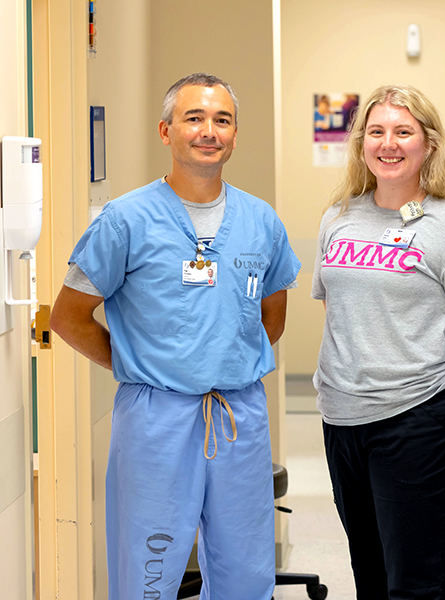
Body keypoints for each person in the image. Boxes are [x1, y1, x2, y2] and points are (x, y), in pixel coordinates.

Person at [50, 73, 300, 600]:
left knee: (246, 572)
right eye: (194, 118)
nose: (209, 131)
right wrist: (138, 364)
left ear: (234, 135)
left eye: (222, 120)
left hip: (239, 416)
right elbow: (68, 318)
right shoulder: (125, 220)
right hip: (155, 418)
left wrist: (220, 357)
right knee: (149, 568)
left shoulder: (261, 221)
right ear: (166, 132)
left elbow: (270, 321)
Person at [311, 84, 445, 599]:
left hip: (417, 417)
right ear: (361, 144)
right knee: (370, 574)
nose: (389, 143)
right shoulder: (339, 218)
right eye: (376, 132)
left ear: (429, 144)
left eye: (404, 132)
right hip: (343, 418)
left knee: (414, 583)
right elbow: (336, 308)